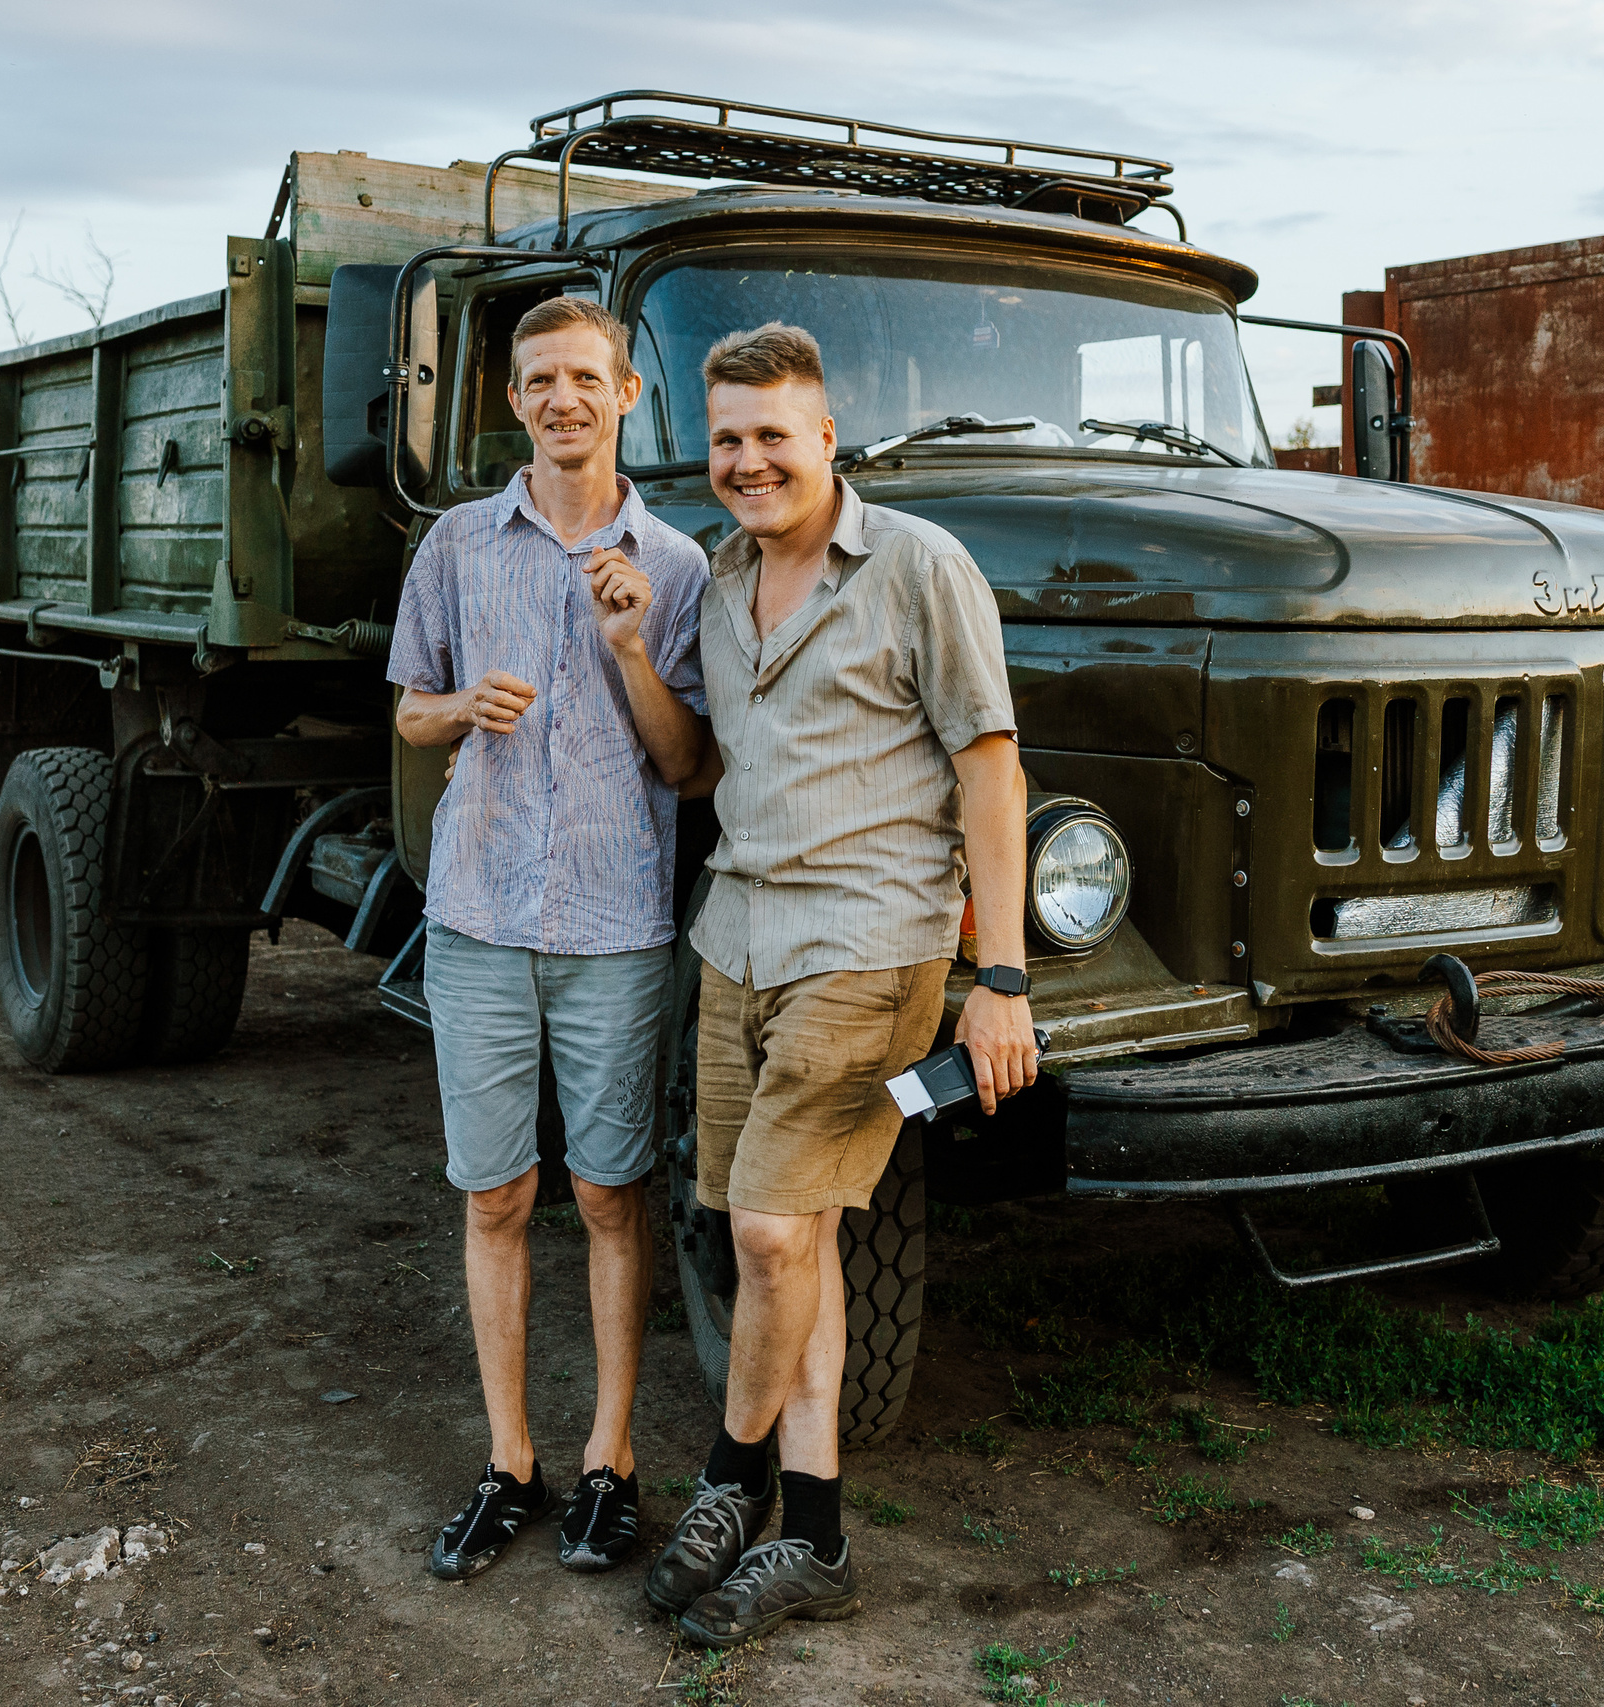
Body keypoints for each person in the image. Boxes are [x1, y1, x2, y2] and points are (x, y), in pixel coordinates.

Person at [645, 323, 1036, 1645]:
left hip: (870, 947)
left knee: (761, 1232)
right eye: (730, 438)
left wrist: (1003, 976)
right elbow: (697, 768)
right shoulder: (711, 582)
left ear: (827, 437)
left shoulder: (919, 565)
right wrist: (627, 656)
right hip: (739, 938)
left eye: (775, 434)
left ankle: (728, 1476)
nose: (751, 461)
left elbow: (990, 765)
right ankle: (813, 1535)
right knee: (793, 1236)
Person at [388, 294, 709, 1581]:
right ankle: (510, 1460)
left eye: (586, 377)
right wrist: (465, 703)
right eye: (538, 381)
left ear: (626, 396)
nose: (562, 398)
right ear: (512, 401)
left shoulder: (678, 567)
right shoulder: (461, 546)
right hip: (475, 914)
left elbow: (687, 768)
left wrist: (630, 644)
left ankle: (608, 1462)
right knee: (499, 1194)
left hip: (613, 924)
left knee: (611, 1195)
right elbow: (411, 715)